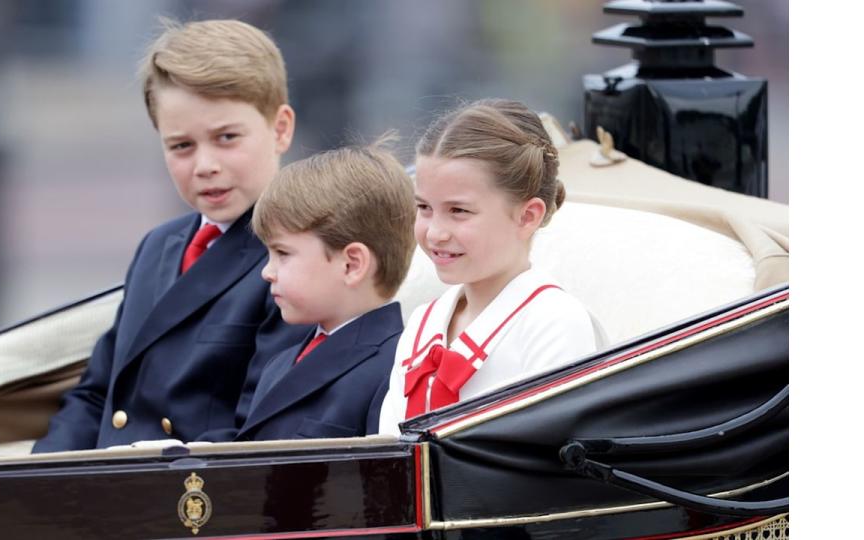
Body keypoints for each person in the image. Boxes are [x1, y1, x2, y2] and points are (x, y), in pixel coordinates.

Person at [32, 19, 311, 453]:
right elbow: (97, 393)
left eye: (226, 138)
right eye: (181, 146)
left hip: (186, 496)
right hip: (101, 491)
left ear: (280, 129)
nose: (204, 165)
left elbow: (260, 430)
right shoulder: (159, 246)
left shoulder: (298, 256)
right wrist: (39, 482)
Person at [377, 99, 602, 435]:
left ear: (528, 216)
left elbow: (551, 470)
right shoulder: (423, 323)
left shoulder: (554, 323)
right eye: (424, 207)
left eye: (459, 211)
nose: (435, 232)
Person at [225, 142, 415, 441]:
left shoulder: (398, 369)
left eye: (283, 253)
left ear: (352, 264)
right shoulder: (279, 363)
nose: (267, 271)